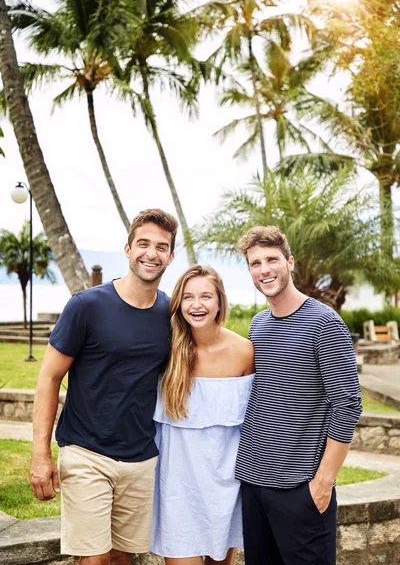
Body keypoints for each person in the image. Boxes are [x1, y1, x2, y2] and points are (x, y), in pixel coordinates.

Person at [29, 208, 178, 565]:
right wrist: (40, 455)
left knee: (122, 558)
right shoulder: (86, 306)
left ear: (170, 257)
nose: (151, 253)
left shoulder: (172, 314)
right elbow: (49, 377)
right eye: (143, 243)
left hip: (141, 458)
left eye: (161, 247)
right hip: (86, 453)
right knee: (93, 560)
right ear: (127, 249)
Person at [235, 226, 362, 565]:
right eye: (255, 263)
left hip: (300, 488)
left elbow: (348, 404)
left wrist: (323, 482)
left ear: (289, 262)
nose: (264, 269)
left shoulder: (325, 324)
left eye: (272, 259)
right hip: (253, 482)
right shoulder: (257, 325)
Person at [151, 264, 254, 565]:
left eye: (206, 296)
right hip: (176, 485)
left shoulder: (245, 351)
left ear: (220, 301)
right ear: (178, 303)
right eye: (188, 297)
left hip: (227, 483)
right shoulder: (166, 350)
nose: (197, 305)